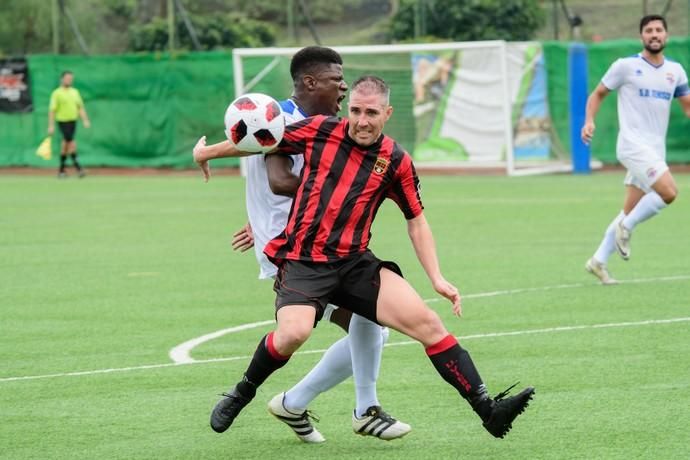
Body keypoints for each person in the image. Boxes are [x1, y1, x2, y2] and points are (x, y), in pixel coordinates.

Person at [195, 75, 535, 440]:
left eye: (371, 112)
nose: (361, 120)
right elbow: (262, 139)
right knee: (293, 333)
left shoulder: (396, 161)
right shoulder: (320, 130)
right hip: (304, 261)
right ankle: (243, 391)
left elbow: (416, 222)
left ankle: (489, 411)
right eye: (355, 110)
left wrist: (436, 277)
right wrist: (207, 152)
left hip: (355, 264)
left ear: (387, 113)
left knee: (429, 325)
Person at [194, 46, 410, 442]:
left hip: (314, 241)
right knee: (367, 327)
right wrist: (343, 191)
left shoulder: (322, 123)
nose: (345, 86)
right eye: (336, 78)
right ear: (310, 82)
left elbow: (253, 150)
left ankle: (298, 403)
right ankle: (352, 407)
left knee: (372, 328)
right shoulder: (275, 115)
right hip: (295, 249)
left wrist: (208, 153)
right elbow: (271, 167)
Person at [581, 14, 690, 284]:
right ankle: (625, 229)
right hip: (631, 145)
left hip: (655, 150)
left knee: (630, 209)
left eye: (659, 30)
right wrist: (589, 121)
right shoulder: (625, 66)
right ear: (642, 36)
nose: (654, 34)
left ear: (666, 36)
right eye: (649, 31)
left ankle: (598, 261)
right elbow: (598, 94)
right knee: (669, 193)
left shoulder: (675, 70)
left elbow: (687, 105)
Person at [48, 70, 90, 178]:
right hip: (62, 121)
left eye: (71, 79)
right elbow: (52, 110)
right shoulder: (56, 93)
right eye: (67, 78)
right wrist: (51, 125)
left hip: (73, 121)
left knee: (65, 145)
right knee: (71, 143)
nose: (69, 80)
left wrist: (85, 120)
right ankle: (78, 168)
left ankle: (61, 170)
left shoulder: (75, 92)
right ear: (62, 79)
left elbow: (80, 107)